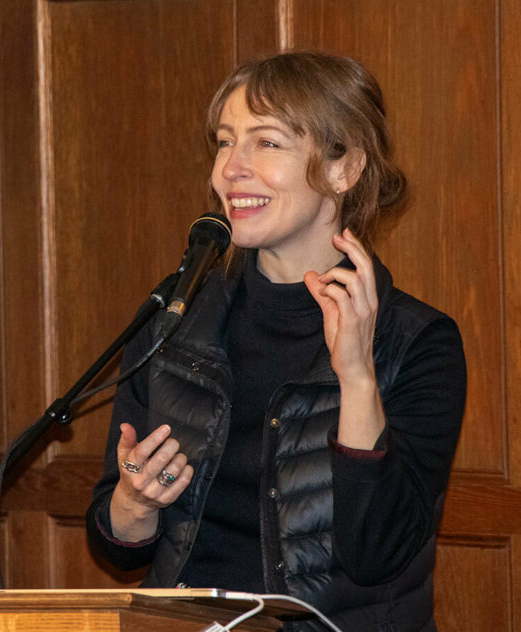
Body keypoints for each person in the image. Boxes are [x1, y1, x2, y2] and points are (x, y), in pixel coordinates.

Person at [86, 51, 466, 632]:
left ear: (345, 169)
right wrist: (134, 505)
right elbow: (117, 544)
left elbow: (377, 554)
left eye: (266, 143)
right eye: (223, 142)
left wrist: (357, 375)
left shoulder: (416, 341)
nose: (229, 169)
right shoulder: (177, 314)